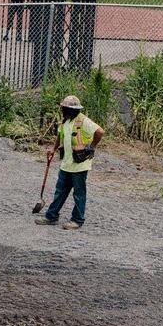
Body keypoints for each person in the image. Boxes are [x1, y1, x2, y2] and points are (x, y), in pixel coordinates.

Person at [41, 95, 104, 229]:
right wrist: (53, 149)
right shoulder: (65, 122)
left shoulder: (83, 121)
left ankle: (77, 220)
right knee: (60, 191)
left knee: (79, 193)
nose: (62, 109)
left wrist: (92, 146)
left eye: (64, 108)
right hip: (67, 163)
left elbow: (100, 132)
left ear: (70, 109)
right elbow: (60, 135)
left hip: (80, 165)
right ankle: (51, 216)